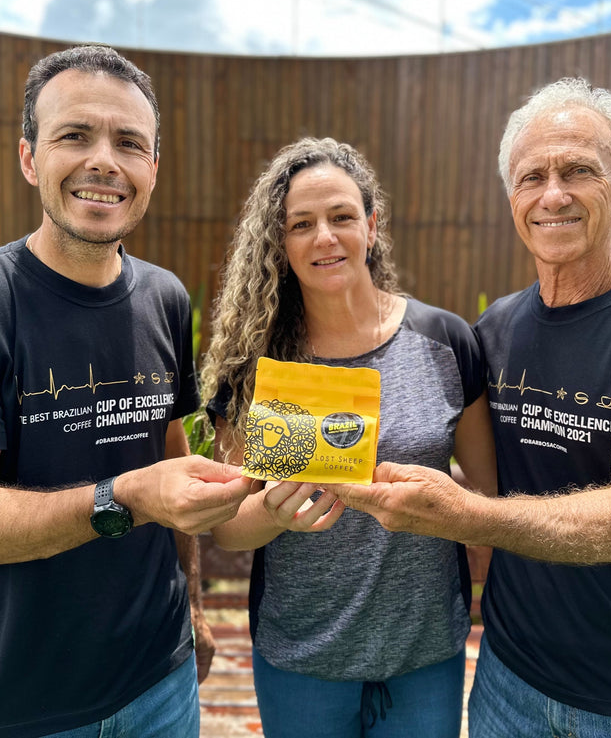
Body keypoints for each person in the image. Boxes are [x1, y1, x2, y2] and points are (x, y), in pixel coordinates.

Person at [333, 77, 611, 737]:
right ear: (512, 195)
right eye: (532, 176)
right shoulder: (495, 328)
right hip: (509, 684)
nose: (553, 194)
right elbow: (495, 481)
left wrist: (465, 512)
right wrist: (369, 478)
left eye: (579, 171)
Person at [0, 44, 253, 738]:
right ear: (30, 158)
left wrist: (194, 607)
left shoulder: (166, 298)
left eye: (129, 142)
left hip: (159, 685)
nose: (104, 161)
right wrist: (129, 497)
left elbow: (169, 449)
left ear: (152, 168)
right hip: (13, 709)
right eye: (75, 135)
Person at [198, 137, 498, 738]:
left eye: (341, 217)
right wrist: (274, 511)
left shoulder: (446, 341)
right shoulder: (255, 362)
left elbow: (492, 500)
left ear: (372, 224)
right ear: (279, 245)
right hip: (302, 654)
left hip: (425, 649)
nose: (324, 238)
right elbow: (228, 523)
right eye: (300, 224)